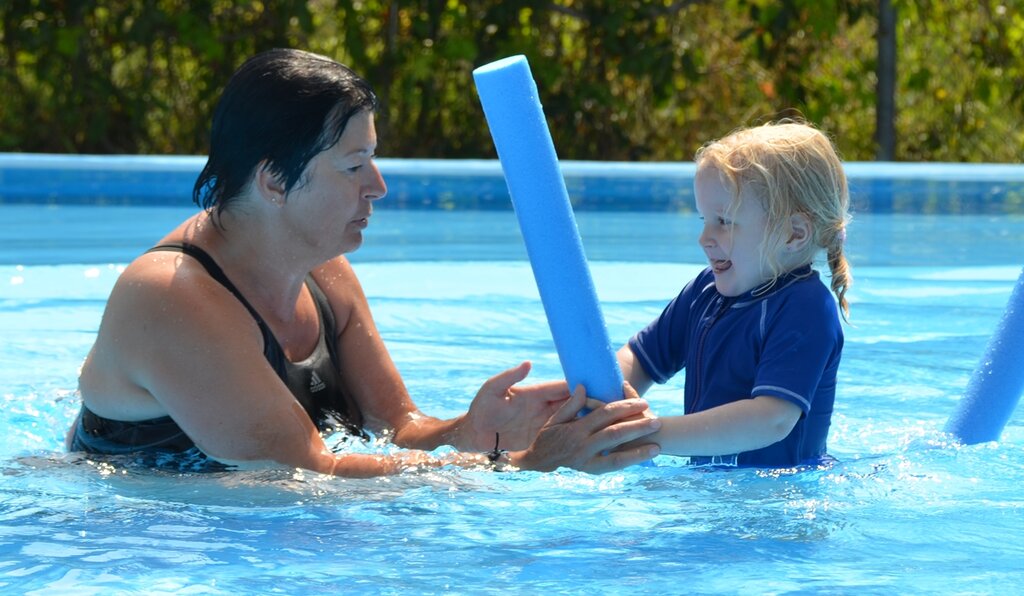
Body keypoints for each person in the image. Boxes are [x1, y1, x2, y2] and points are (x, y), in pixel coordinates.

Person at [68, 48, 661, 476]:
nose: (377, 186)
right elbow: (308, 475)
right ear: (274, 179)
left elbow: (397, 429)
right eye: (354, 166)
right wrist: (526, 467)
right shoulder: (171, 299)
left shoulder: (324, 272)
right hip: (137, 531)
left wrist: (472, 432)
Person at [616, 121, 851, 467]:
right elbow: (638, 357)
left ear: (793, 234)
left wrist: (651, 434)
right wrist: (610, 403)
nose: (704, 238)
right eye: (704, 220)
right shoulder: (704, 292)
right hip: (710, 492)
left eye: (724, 222)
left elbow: (771, 419)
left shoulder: (806, 308)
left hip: (781, 503)